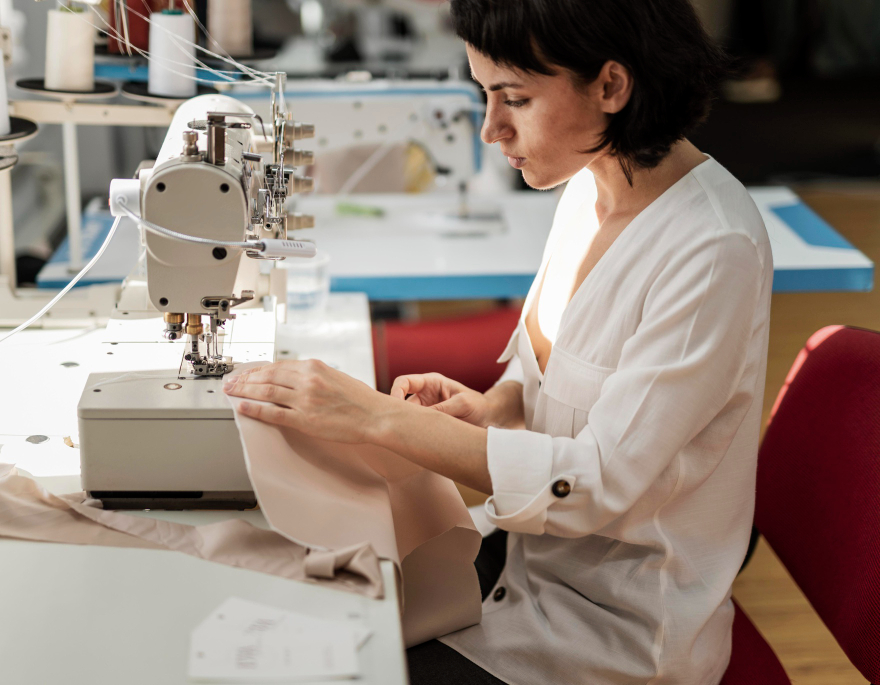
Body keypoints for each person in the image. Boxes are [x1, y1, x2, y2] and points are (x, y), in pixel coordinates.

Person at [225, 0, 773, 682]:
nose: (491, 128)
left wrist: (376, 417)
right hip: (526, 561)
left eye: (515, 98)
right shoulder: (587, 186)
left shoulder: (711, 247)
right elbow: (552, 363)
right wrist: (498, 405)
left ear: (611, 86)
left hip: (614, 630)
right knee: (304, 618)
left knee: (334, 663)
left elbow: (594, 482)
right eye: (485, 94)